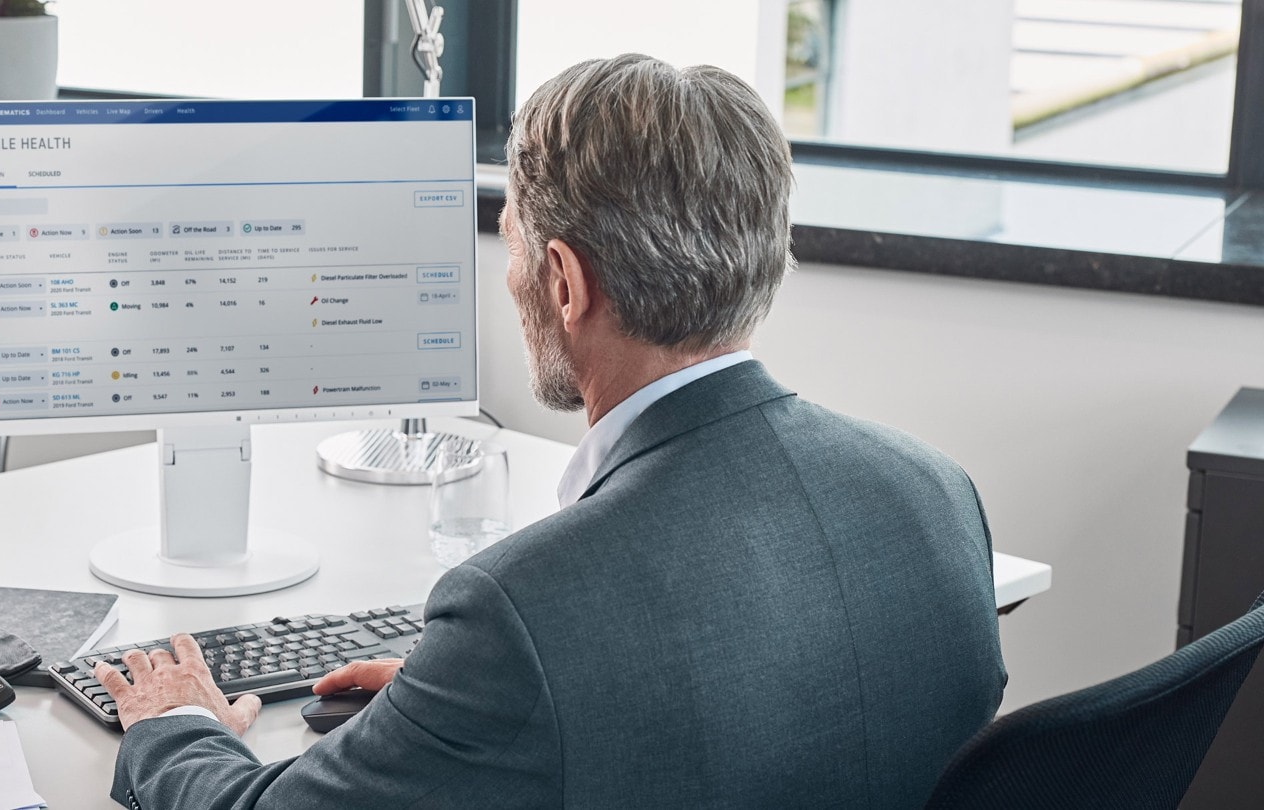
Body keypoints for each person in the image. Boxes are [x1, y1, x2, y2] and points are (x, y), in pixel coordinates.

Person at [96, 53, 1006, 808]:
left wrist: (175, 725)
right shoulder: (933, 491)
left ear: (564, 282)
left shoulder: (524, 606)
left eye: (513, 242)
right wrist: (452, 706)